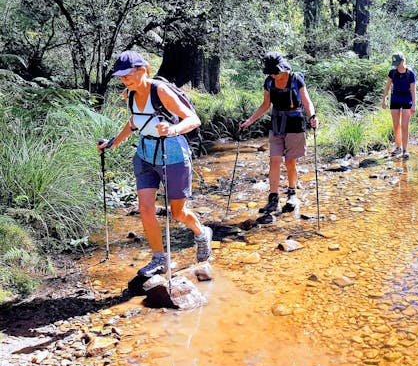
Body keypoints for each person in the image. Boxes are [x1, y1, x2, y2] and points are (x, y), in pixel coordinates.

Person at [97, 51, 212, 277]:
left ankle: (201, 233)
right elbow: (134, 122)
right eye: (121, 77)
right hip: (145, 156)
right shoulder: (128, 94)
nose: (124, 80)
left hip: (173, 156)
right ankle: (160, 259)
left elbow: (193, 119)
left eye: (127, 76)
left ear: (142, 71)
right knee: (146, 208)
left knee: (177, 213)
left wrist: (172, 129)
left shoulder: (160, 91)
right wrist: (113, 143)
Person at [239, 52, 318, 224]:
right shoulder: (269, 82)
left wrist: (312, 116)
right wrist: (250, 121)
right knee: (274, 160)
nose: (273, 75)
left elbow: (306, 101)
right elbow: (266, 105)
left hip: (295, 123)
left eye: (275, 72)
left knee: (290, 162)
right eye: (271, 72)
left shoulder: (296, 79)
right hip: (276, 123)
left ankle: (292, 194)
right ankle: (273, 198)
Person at [382, 52, 416, 159]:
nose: (396, 65)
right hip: (395, 98)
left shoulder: (410, 73)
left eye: (398, 63)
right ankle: (398, 147)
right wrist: (384, 99)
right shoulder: (392, 72)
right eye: (395, 63)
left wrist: (414, 104)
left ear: (403, 61)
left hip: (407, 99)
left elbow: (414, 90)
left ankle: (405, 149)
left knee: (404, 126)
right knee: (396, 125)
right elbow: (387, 87)